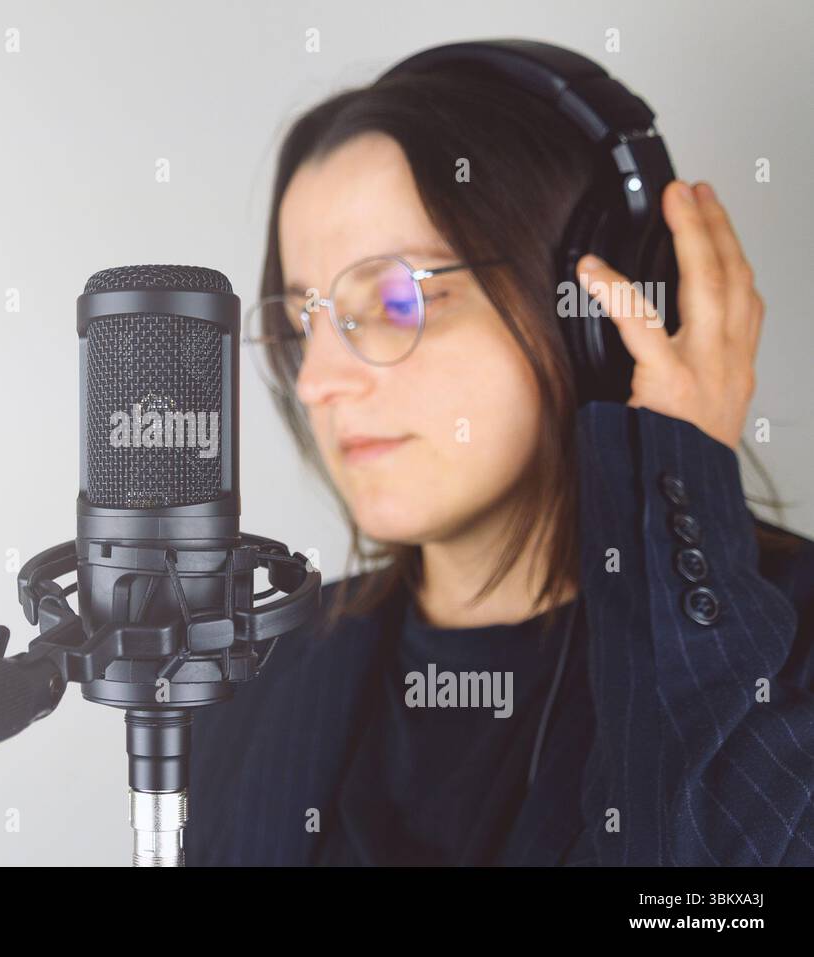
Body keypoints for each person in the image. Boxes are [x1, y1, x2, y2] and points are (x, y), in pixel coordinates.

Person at [185, 50, 814, 866]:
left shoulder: (785, 652)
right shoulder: (256, 675)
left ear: (598, 311)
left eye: (397, 299)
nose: (317, 381)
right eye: (307, 322)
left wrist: (677, 468)